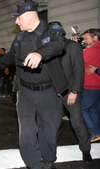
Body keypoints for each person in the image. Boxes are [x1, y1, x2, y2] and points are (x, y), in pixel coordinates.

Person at [0, 1, 68, 168]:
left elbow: (59, 45)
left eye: (18, 18)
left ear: (29, 16)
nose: (16, 22)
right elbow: (10, 57)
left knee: (48, 131)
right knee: (26, 133)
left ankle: (48, 159)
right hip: (26, 93)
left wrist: (40, 53)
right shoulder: (20, 37)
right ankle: (34, 164)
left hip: (49, 93)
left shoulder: (51, 30)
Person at [48, 21, 92, 161]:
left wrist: (75, 91)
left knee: (77, 122)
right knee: (51, 123)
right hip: (52, 92)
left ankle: (85, 150)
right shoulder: (47, 47)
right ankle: (49, 153)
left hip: (70, 91)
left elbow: (79, 71)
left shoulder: (72, 47)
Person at [81, 28, 100, 143]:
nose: (84, 40)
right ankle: (97, 133)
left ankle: (95, 132)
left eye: (86, 38)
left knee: (81, 108)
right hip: (97, 86)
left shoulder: (91, 51)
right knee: (93, 110)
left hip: (90, 86)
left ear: (95, 38)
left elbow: (76, 61)